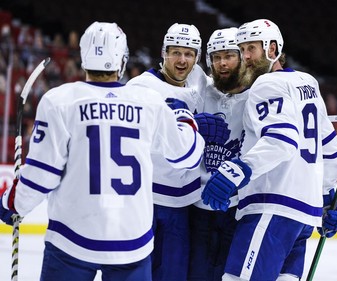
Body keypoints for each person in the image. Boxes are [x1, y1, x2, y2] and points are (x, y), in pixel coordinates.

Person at [0, 21, 205, 281]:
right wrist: (185, 118)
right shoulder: (149, 102)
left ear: (84, 57)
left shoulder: (60, 100)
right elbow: (186, 155)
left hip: (71, 239)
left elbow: (43, 174)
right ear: (122, 61)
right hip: (132, 242)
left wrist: (13, 203)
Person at [201, 19, 337, 280]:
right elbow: (332, 149)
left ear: (273, 49)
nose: (245, 56)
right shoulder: (307, 82)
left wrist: (237, 171)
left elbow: (281, 140)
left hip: (271, 207)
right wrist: (326, 196)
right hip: (303, 217)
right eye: (242, 49)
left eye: (252, 49)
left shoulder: (265, 85)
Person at [126, 22, 229, 281]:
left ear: (197, 58)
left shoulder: (198, 80)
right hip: (146, 200)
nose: (182, 60)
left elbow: (231, 85)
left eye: (189, 53)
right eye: (175, 52)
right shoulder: (141, 89)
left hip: (182, 205)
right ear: (163, 53)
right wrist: (188, 126)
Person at [188, 27, 249, 281]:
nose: (222, 63)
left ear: (242, 57)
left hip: (237, 209)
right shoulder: (200, 90)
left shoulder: (258, 96)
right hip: (197, 206)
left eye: (229, 56)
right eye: (216, 57)